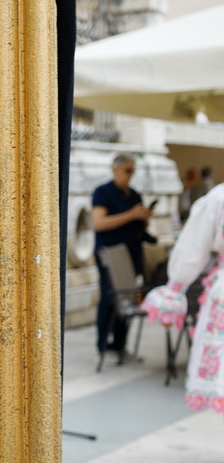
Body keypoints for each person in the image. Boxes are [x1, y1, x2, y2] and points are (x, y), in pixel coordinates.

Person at [142, 184, 224, 413]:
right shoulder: (219, 198)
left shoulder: (219, 198)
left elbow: (194, 247)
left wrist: (175, 288)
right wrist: (175, 290)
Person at [92, 153, 153, 361]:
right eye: (127, 170)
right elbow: (98, 223)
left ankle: (119, 345)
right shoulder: (103, 192)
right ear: (115, 170)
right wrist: (131, 215)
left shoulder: (134, 195)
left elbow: (139, 225)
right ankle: (103, 345)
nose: (130, 175)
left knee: (128, 299)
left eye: (132, 171)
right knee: (109, 299)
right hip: (110, 254)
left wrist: (143, 218)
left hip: (132, 253)